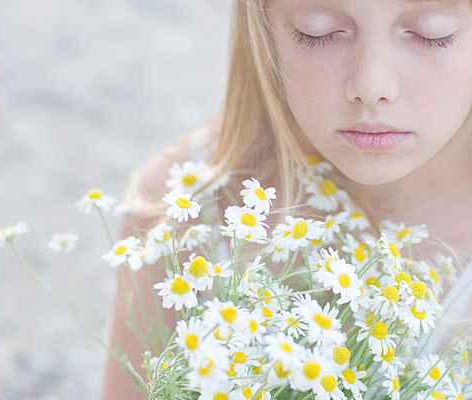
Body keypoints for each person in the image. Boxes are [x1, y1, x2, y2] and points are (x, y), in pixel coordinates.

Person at [100, 0, 472, 398]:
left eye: (433, 33)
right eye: (318, 31)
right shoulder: (180, 211)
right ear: (263, 28)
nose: (371, 87)